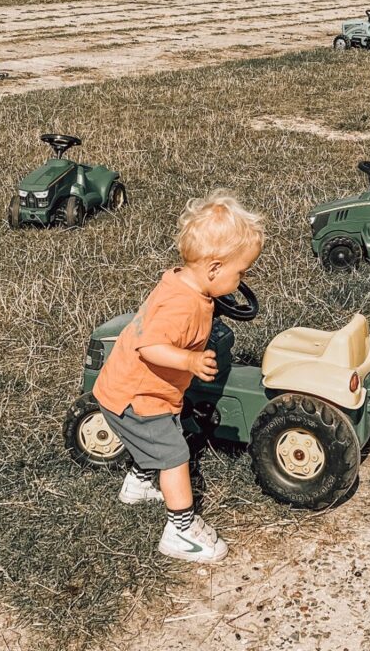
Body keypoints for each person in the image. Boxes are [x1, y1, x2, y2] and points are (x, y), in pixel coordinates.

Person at [92, 190, 264, 563]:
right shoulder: (183, 305)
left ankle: (137, 486)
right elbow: (150, 346)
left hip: (132, 389)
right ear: (215, 268)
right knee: (174, 453)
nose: (242, 280)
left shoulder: (182, 282)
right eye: (241, 272)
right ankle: (180, 531)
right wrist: (188, 362)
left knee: (160, 434)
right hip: (138, 396)